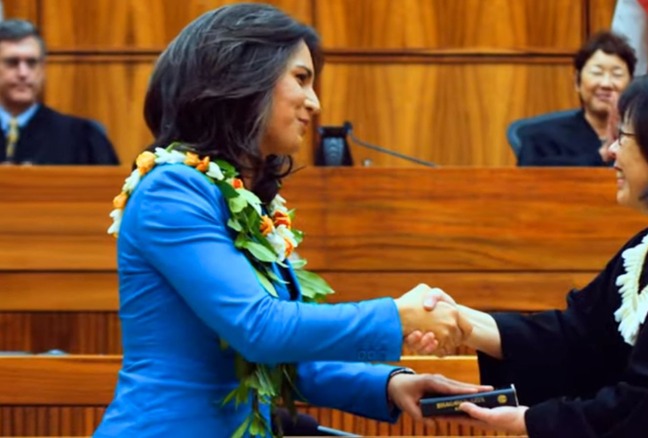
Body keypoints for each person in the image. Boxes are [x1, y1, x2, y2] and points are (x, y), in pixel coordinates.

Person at [94, 4, 483, 436]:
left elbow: (276, 360)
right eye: (301, 79)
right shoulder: (172, 191)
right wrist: (397, 317)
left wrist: (392, 384)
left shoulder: (239, 197)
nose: (315, 103)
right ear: (243, 77)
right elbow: (260, 329)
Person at [410, 74, 648, 437]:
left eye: (623, 136)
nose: (610, 151)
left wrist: (534, 421)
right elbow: (579, 339)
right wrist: (464, 323)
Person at [0, 19, 118, 165]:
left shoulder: (81, 137)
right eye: (12, 62)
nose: (23, 73)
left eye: (32, 63)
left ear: (42, 69)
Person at [516, 31, 636, 166]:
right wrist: (602, 156)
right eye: (597, 73)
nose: (606, 83)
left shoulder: (644, 138)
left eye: (617, 74)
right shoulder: (540, 137)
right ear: (577, 82)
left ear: (631, 84)